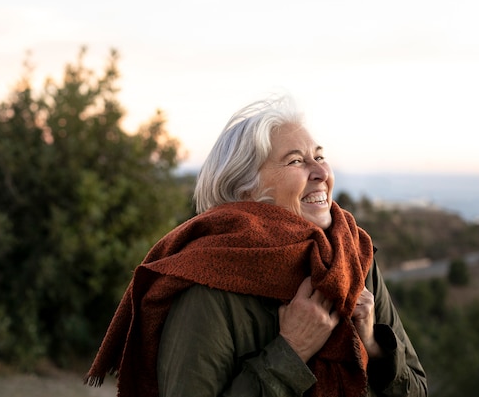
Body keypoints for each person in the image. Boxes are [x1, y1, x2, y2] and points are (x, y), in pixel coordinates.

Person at [85, 95, 427, 397]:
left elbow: (417, 388)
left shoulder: (352, 258)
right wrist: (290, 352)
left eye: (319, 156)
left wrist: (373, 347)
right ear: (245, 189)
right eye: (296, 161)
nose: (320, 172)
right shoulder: (207, 282)